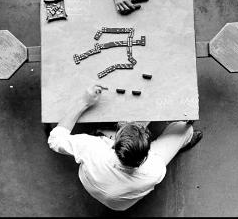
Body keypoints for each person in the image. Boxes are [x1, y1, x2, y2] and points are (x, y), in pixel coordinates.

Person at [47, 84, 202, 211]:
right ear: (148, 151)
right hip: (120, 204)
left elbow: (55, 140)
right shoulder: (155, 169)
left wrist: (84, 102)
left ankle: (103, 129)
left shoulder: (93, 148)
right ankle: (185, 140)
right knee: (184, 128)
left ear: (114, 142)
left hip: (94, 184)